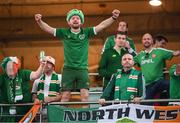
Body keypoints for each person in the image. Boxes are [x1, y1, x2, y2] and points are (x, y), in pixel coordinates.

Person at [35, 9, 120, 107]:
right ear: (68, 21)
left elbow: (102, 25)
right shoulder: (63, 32)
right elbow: (48, 29)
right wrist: (39, 21)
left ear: (82, 21)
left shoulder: (87, 32)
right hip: (68, 69)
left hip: (82, 69)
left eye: (78, 18)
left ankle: (86, 120)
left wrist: (113, 17)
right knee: (65, 96)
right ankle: (63, 120)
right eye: (73, 18)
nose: (75, 20)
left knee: (85, 96)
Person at [134, 33, 180, 105]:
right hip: (146, 85)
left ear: (152, 41)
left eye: (148, 39)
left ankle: (172, 104)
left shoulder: (159, 51)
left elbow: (175, 53)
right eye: (144, 39)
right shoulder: (139, 55)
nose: (146, 40)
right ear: (142, 41)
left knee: (171, 84)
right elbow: (129, 62)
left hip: (158, 82)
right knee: (146, 105)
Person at [0, 56, 46, 122]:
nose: (11, 68)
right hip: (7, 115)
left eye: (13, 65)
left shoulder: (23, 73)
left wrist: (42, 66)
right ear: (5, 68)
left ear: (17, 66)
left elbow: (35, 75)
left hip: (25, 112)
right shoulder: (2, 77)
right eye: (8, 66)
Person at [32, 56, 61, 121]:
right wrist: (35, 99)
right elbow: (34, 94)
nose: (45, 64)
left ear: (53, 67)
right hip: (39, 110)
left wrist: (52, 99)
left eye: (49, 63)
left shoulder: (59, 77)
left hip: (55, 109)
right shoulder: (37, 78)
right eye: (44, 62)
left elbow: (63, 95)